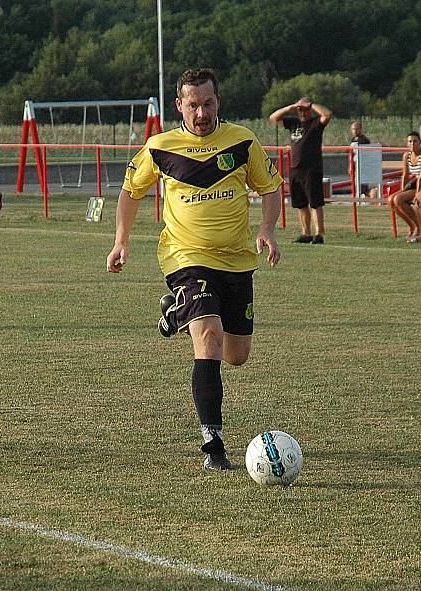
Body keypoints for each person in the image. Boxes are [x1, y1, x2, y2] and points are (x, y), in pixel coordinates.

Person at [106, 68, 283, 471]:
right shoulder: (160, 146)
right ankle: (213, 441)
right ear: (179, 105)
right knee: (209, 337)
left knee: (237, 356)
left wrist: (267, 231)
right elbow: (131, 192)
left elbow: (271, 188)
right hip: (186, 257)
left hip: (237, 260)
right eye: (193, 104)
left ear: (218, 102)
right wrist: (121, 240)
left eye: (208, 103)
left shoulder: (242, 141)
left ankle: (174, 312)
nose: (201, 112)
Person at [268, 97, 333, 244]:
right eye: (300, 110)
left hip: (312, 169)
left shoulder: (316, 123)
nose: (302, 112)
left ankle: (319, 234)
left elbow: (327, 115)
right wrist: (291, 107)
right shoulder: (293, 123)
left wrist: (311, 105)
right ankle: (306, 234)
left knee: (315, 203)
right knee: (300, 203)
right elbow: (273, 118)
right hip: (295, 169)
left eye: (304, 109)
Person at [389, 131, 421, 242]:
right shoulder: (406, 156)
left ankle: (419, 230)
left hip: (420, 184)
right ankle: (413, 226)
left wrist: (417, 194)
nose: (412, 143)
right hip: (415, 183)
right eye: (410, 141)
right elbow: (405, 175)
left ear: (420, 142)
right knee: (392, 200)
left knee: (402, 199)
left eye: (415, 141)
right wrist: (402, 190)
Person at [349, 120, 372, 198]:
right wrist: (350, 165)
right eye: (353, 129)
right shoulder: (352, 140)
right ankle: (357, 195)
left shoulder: (364, 140)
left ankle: (364, 195)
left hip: (362, 165)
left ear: (360, 129)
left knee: (363, 183)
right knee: (355, 182)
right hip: (355, 163)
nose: (355, 131)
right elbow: (351, 153)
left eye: (356, 129)